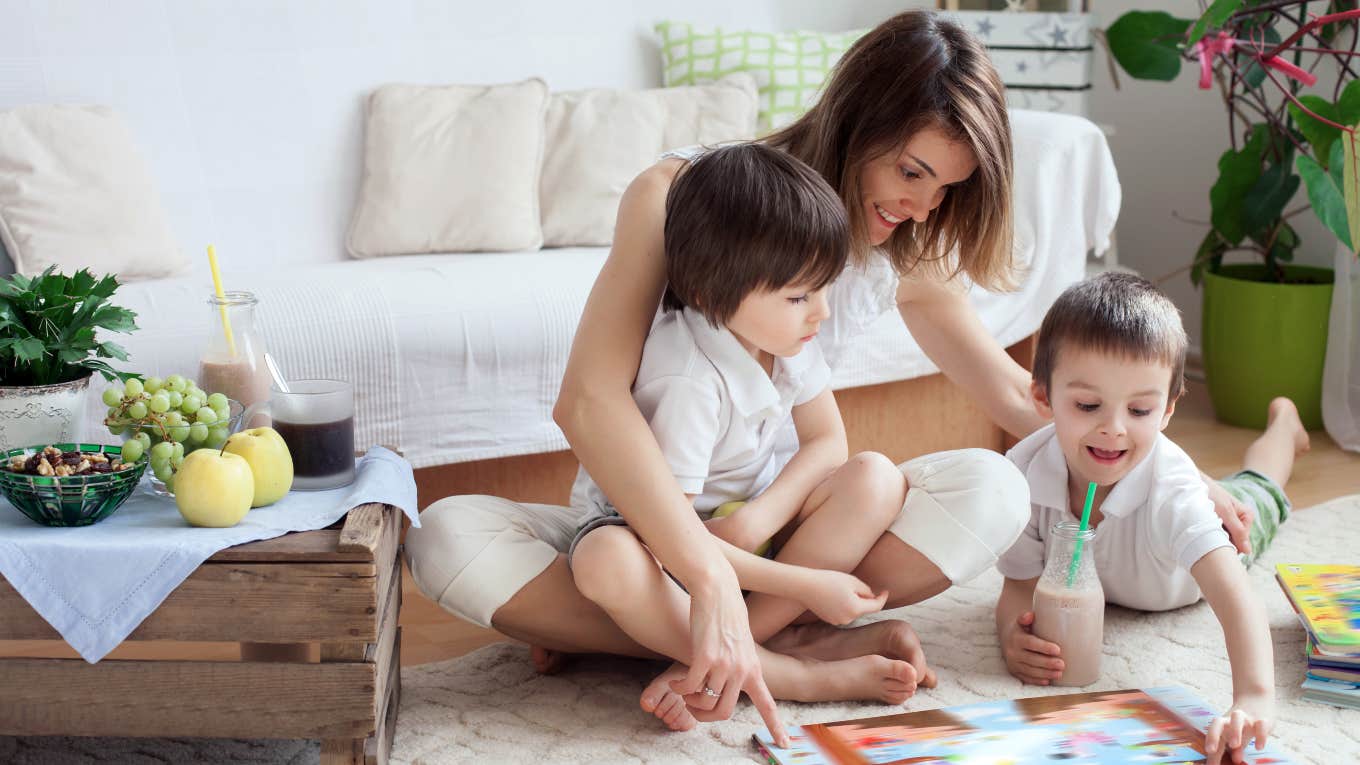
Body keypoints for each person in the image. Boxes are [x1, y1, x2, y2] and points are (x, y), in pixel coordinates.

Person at [404, 8, 1247, 741]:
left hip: (780, 533)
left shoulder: (903, 242)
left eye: (946, 189)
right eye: (912, 171)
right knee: (444, 538)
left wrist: (1175, 466)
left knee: (992, 487)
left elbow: (1002, 389)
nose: (922, 206)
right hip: (656, 523)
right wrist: (703, 571)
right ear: (856, 118)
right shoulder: (685, 197)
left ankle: (657, 638)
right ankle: (778, 652)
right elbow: (589, 401)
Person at [570, 143, 937, 732]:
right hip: (666, 547)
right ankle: (796, 673)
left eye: (825, 288)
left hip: (738, 536)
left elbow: (828, 443)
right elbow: (670, 539)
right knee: (604, 560)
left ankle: (725, 649)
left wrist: (758, 521)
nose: (820, 313)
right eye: (799, 296)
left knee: (874, 477)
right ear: (715, 297)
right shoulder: (689, 379)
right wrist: (808, 585)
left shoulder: (786, 340)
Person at [994, 273, 1307, 765]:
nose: (1112, 429)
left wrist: (1253, 698)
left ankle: (1285, 432)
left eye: (1140, 409)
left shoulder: (1176, 496)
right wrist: (1014, 631)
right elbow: (1019, 582)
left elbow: (1237, 599)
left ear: (1167, 410)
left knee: (1258, 492)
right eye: (1087, 405)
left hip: (1197, 566)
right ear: (1042, 397)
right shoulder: (1023, 475)